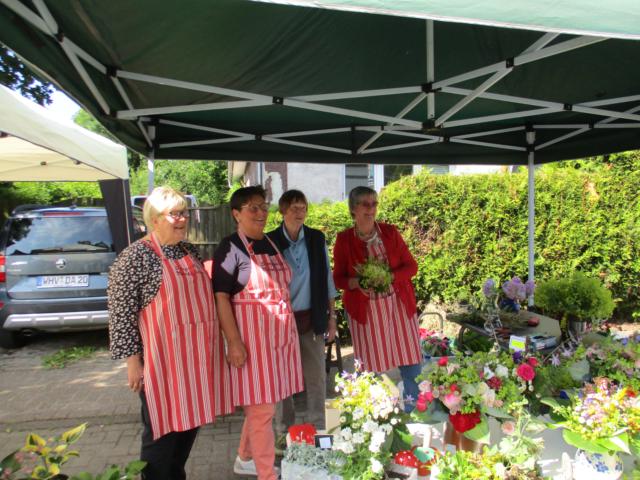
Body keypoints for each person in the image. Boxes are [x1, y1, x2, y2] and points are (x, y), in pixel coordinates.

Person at [108, 186, 232, 480]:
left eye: (184, 213)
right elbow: (121, 313)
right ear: (154, 219)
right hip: (162, 364)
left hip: (196, 360)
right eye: (174, 214)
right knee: (162, 436)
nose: (182, 219)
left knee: (188, 428)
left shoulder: (189, 250)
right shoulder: (136, 257)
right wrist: (133, 362)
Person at [213, 186, 303, 480]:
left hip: (279, 341)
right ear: (236, 214)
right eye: (253, 208)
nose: (261, 213)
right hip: (252, 344)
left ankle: (245, 458)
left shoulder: (271, 243)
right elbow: (221, 297)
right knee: (262, 410)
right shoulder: (230, 248)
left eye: (263, 206)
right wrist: (233, 342)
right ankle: (267, 474)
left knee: (260, 406)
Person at [333, 186, 422, 412]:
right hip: (365, 311)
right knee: (369, 369)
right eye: (365, 204)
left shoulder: (390, 233)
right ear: (353, 209)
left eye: (374, 203)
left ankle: (412, 410)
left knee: (411, 363)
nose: (371, 208)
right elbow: (338, 279)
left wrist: (389, 277)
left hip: (398, 306)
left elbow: (412, 267)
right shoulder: (344, 239)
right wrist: (357, 283)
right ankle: (372, 416)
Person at [267, 190, 338, 441]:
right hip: (281, 322)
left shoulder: (316, 238)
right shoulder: (270, 241)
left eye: (303, 207)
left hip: (312, 318)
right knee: (282, 379)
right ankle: (283, 431)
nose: (300, 213)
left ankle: (318, 428)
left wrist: (332, 317)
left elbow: (327, 278)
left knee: (316, 376)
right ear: (282, 211)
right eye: (294, 208)